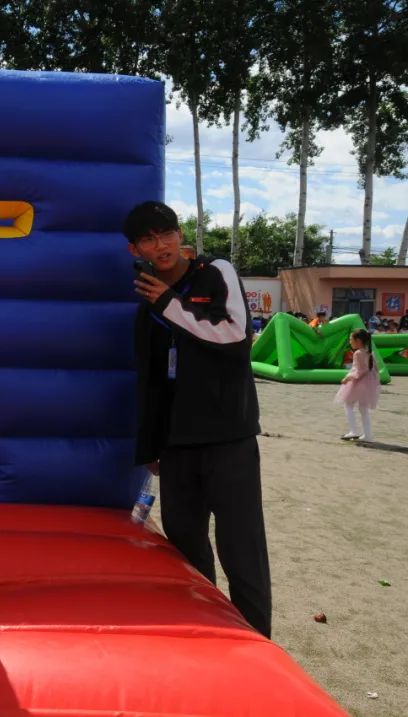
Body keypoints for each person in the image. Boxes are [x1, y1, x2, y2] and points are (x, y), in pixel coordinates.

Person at [126, 200, 272, 638]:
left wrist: (170, 303)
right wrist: (152, 446)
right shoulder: (146, 303)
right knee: (186, 554)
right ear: (135, 249)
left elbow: (234, 337)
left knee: (242, 552)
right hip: (177, 447)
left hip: (230, 439)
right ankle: (206, 642)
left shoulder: (215, 271)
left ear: (179, 234)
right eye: (149, 239)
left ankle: (256, 647)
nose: (161, 245)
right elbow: (150, 380)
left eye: (166, 234)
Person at [335, 328, 379, 442]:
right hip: (370, 382)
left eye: (351, 339)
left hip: (360, 381)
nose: (350, 341)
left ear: (358, 340)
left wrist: (347, 378)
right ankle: (368, 435)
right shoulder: (369, 352)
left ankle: (353, 431)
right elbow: (375, 369)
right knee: (363, 408)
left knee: (348, 404)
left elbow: (359, 372)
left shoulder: (358, 353)